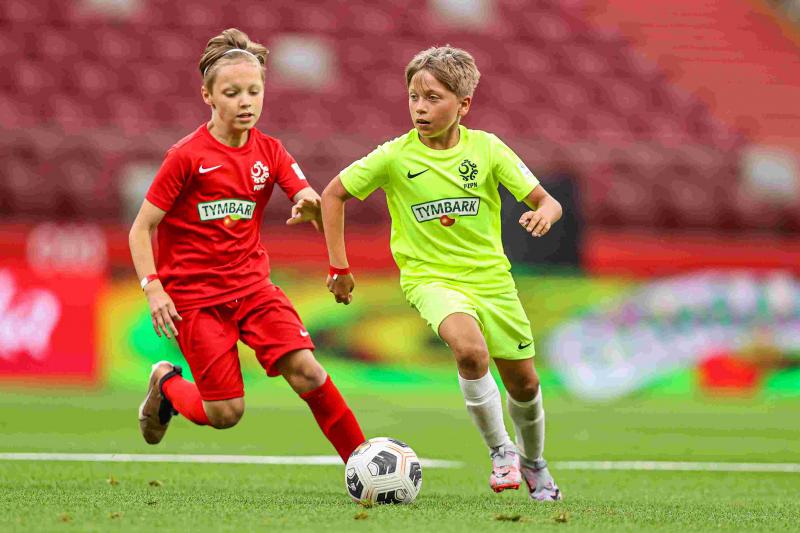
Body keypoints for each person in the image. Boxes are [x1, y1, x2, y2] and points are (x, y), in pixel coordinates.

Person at [321, 46, 563, 500]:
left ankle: (534, 463)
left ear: (463, 104)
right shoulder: (394, 156)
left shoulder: (487, 149)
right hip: (430, 280)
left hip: (492, 280)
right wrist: (339, 267)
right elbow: (333, 195)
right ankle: (501, 452)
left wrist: (544, 215)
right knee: (469, 351)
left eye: (433, 98)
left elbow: (546, 201)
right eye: (414, 97)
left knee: (525, 383)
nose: (420, 108)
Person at [128, 28, 365, 463]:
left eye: (254, 91)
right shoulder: (186, 156)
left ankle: (362, 462)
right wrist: (153, 287)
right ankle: (165, 382)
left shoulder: (270, 151)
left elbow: (305, 193)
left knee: (307, 371)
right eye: (232, 93)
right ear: (208, 95)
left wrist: (310, 204)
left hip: (254, 289)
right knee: (226, 413)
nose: (246, 102)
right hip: (196, 298)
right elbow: (141, 228)